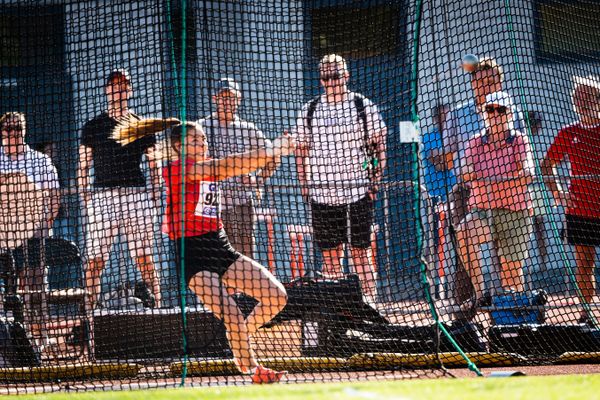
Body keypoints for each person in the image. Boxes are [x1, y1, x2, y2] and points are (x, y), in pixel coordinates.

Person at [161, 121, 292, 383]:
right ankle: (254, 369)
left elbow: (233, 166)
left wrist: (271, 155)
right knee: (231, 313)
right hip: (193, 254)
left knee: (277, 297)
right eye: (195, 140)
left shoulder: (205, 167)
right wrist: (272, 150)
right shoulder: (177, 169)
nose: (202, 144)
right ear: (179, 146)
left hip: (220, 246)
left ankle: (241, 333)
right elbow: (226, 166)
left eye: (203, 140)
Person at [294, 54, 387, 302]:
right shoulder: (310, 109)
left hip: (357, 191)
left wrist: (375, 181)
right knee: (330, 256)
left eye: (335, 75)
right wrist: (304, 186)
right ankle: (337, 306)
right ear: (321, 80)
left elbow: (379, 144)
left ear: (346, 75)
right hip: (322, 194)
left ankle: (370, 303)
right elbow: (301, 150)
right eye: (326, 76)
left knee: (360, 253)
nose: (331, 80)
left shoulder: (361, 105)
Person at [78, 69, 161, 309]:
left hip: (136, 195)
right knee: (95, 260)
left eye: (124, 86)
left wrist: (155, 193)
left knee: (144, 257)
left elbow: (154, 164)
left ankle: (159, 306)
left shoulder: (141, 125)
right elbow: (83, 165)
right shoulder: (93, 126)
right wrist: (85, 196)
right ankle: (89, 312)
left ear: (130, 90)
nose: (119, 89)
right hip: (103, 197)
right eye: (114, 85)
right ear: (107, 90)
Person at [456, 91, 535, 306]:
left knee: (511, 274)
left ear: (510, 114)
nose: (495, 114)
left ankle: (515, 313)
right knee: (464, 232)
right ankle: (482, 294)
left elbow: (527, 173)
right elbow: (464, 172)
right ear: (483, 114)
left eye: (501, 109)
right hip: (483, 209)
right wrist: (506, 179)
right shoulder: (475, 142)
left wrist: (487, 179)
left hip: (515, 212)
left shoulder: (519, 140)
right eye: (490, 109)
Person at [542, 75, 600, 325]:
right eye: (579, 97)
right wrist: (558, 193)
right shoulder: (568, 132)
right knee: (584, 265)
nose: (582, 101)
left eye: (588, 96)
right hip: (579, 210)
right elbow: (547, 167)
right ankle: (587, 314)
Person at [198, 78, 278, 257]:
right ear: (214, 99)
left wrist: (258, 179)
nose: (227, 102)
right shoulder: (202, 127)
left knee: (245, 255)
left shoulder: (247, 129)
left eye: (231, 97)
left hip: (241, 202)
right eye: (223, 97)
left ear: (238, 99)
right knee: (215, 255)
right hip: (211, 204)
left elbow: (273, 156)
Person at [0, 111, 61, 339]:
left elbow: (54, 195)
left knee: (35, 286)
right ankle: (12, 338)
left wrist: (46, 222)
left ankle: (39, 336)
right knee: (11, 287)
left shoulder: (40, 160)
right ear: (2, 132)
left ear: (24, 131)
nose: (13, 133)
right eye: (9, 129)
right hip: (4, 233)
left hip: (34, 232)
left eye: (18, 128)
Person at [421, 103, 456, 299]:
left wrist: (449, 156)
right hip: (434, 197)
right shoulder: (429, 137)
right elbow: (441, 162)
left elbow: (449, 160)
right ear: (436, 119)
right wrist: (449, 156)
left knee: (455, 239)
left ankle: (453, 285)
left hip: (454, 194)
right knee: (434, 241)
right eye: (443, 116)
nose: (446, 120)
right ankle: (436, 285)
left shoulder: (454, 136)